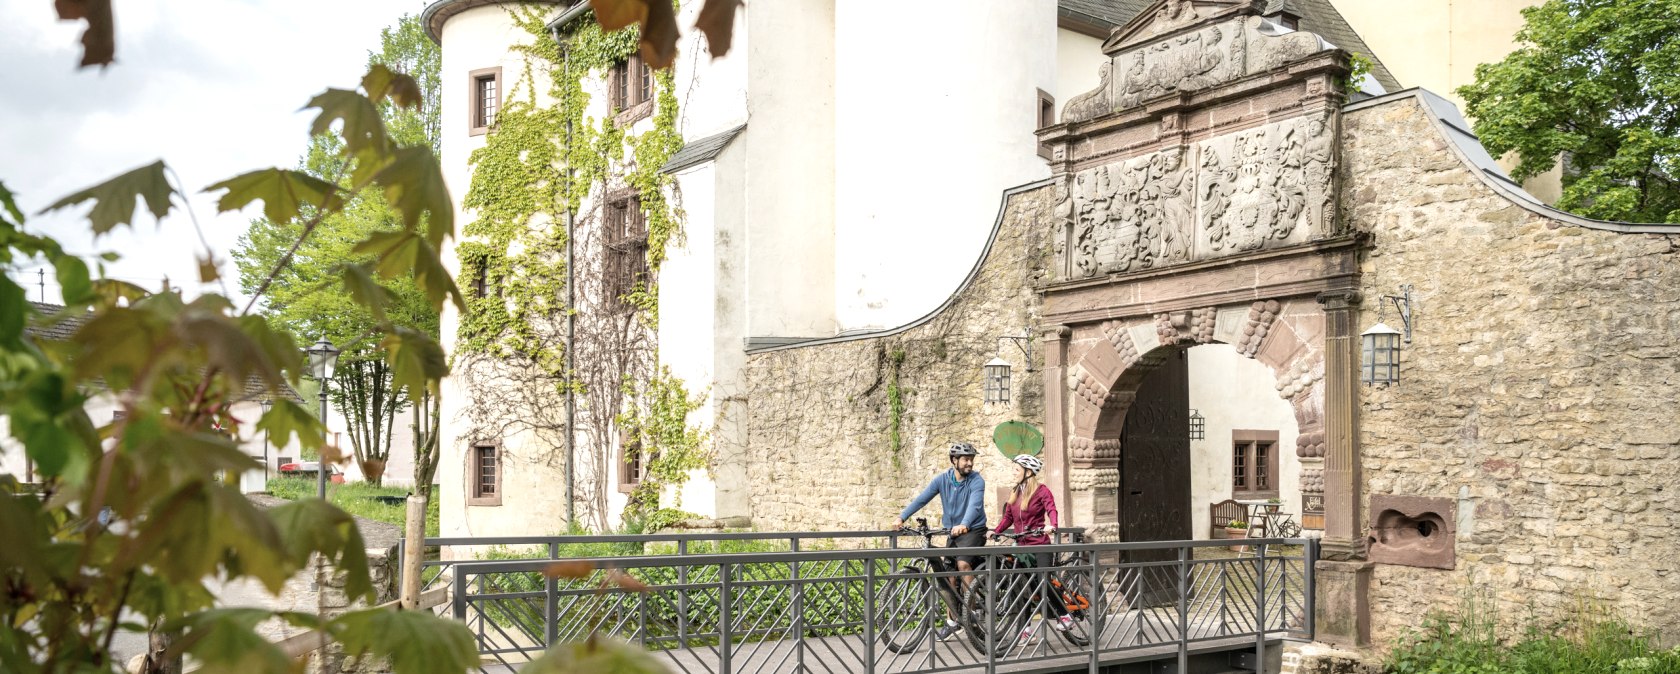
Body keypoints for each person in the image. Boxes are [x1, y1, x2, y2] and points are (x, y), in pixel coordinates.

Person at [893, 441, 988, 641]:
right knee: (947, 576)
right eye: (965, 459)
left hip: (973, 530)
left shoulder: (976, 481)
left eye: (971, 459)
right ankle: (953, 621)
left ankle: (968, 616)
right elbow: (922, 499)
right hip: (953, 532)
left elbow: (975, 504)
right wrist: (902, 517)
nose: (969, 463)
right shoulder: (942, 480)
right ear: (954, 460)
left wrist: (964, 523)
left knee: (963, 564)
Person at [991, 454, 1074, 639]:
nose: (1014, 472)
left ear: (1028, 472)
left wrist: (1052, 525)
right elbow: (1008, 518)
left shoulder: (1042, 491)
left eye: (1017, 469)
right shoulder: (1015, 492)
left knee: (1042, 581)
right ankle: (1025, 629)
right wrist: (996, 531)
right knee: (1022, 586)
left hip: (1040, 545)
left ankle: (1065, 615)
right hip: (1022, 546)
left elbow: (1052, 509)